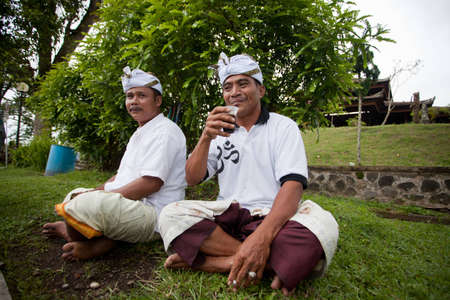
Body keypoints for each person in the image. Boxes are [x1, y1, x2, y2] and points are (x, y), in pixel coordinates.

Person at [158, 53, 339, 296]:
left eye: (243, 84)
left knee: (324, 225)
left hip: (273, 218)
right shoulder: (219, 131)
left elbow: (293, 186)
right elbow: (192, 178)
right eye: (227, 87)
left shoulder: (283, 126)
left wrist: (262, 238)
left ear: (261, 90)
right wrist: (205, 138)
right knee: (170, 215)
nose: (234, 92)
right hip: (230, 215)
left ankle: (219, 262)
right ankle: (268, 263)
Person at [42, 67, 186, 260]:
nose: (134, 101)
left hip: (155, 215)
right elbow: (120, 177)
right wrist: (94, 191)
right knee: (75, 195)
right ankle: (105, 240)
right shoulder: (141, 132)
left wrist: (100, 198)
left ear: (157, 101)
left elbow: (151, 183)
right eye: (130, 96)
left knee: (83, 204)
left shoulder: (165, 131)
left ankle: (88, 241)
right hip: (132, 207)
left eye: (141, 95)